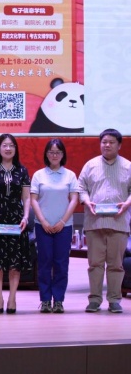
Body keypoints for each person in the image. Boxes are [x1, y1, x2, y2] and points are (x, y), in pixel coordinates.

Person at [78, 128, 131, 314]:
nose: (107, 145)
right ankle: (94, 300)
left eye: (111, 142)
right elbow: (81, 188)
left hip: (119, 223)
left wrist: (127, 203)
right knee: (95, 265)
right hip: (95, 223)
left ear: (119, 145)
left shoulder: (128, 166)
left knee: (116, 265)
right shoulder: (90, 165)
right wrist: (86, 201)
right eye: (104, 142)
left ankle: (114, 300)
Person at [0, 133, 31, 314]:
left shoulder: (22, 171)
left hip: (17, 221)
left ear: (15, 149)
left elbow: (26, 197)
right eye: (5, 145)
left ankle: (12, 298)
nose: (8, 148)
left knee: (15, 263)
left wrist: (25, 217)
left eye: (11, 145)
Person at [30, 139, 78, 314]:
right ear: (46, 154)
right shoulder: (39, 175)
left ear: (63, 154)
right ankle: (45, 300)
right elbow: (33, 200)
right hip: (42, 226)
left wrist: (63, 221)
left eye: (58, 152)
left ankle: (58, 300)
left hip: (64, 227)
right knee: (44, 263)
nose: (54, 155)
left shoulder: (70, 175)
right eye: (51, 152)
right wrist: (43, 221)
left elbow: (74, 199)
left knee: (61, 264)